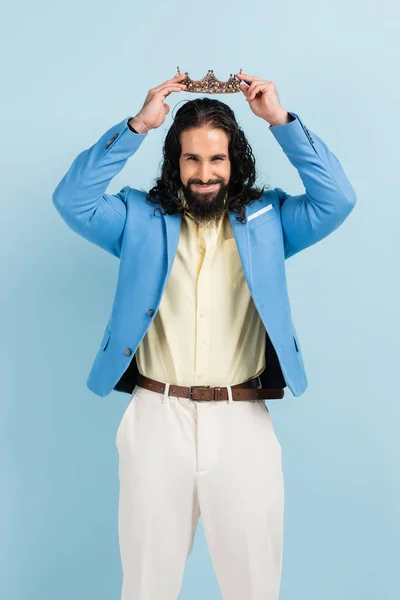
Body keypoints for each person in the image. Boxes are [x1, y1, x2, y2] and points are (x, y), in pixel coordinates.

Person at [52, 71, 356, 599]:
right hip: (155, 415)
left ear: (234, 160)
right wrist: (136, 127)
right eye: (192, 159)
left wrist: (280, 122)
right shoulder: (136, 217)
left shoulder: (270, 218)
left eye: (217, 159)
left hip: (242, 420)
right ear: (175, 163)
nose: (205, 172)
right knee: (147, 582)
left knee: (254, 585)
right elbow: (73, 200)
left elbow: (337, 200)